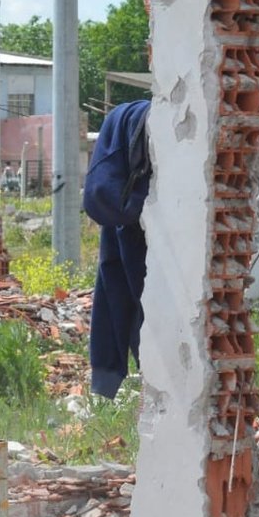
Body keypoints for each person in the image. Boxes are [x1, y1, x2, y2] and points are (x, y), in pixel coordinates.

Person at [83, 99, 152, 399]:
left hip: (128, 219)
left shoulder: (115, 192)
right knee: (128, 295)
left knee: (119, 293)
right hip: (132, 224)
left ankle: (114, 382)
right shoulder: (121, 209)